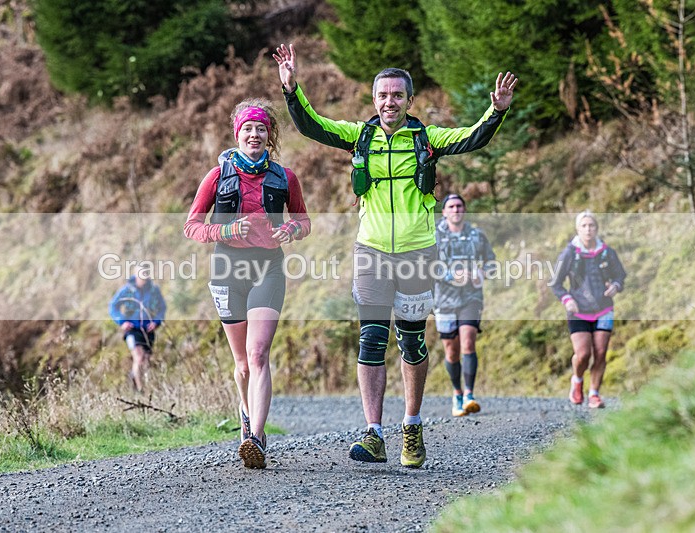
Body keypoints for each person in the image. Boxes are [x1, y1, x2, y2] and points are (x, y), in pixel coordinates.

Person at [273, 43, 516, 467]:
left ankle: (412, 424)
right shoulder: (359, 136)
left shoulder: (427, 138)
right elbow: (313, 127)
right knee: (371, 339)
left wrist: (495, 111)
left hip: (418, 251)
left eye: (397, 95)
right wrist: (292, 90)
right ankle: (373, 433)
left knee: (412, 339)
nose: (390, 102)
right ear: (374, 99)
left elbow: (471, 138)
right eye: (383, 95)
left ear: (409, 100)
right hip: (371, 251)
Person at [183, 98, 311, 469]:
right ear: (237, 133)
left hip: (268, 268)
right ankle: (245, 411)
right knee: (241, 364)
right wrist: (225, 229)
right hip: (226, 269)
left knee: (258, 355)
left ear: (270, 135)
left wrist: (291, 228)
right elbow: (191, 225)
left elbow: (304, 221)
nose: (254, 134)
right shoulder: (216, 176)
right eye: (247, 129)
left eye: (261, 129)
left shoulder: (285, 177)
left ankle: (255, 437)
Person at [550, 211, 626, 409]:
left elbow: (620, 275)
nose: (588, 229)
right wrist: (567, 299)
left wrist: (616, 286)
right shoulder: (569, 253)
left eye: (591, 225)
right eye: (584, 226)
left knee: (600, 353)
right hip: (578, 311)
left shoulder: (607, 252)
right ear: (577, 229)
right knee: (583, 354)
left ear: (597, 228)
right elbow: (555, 283)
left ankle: (594, 394)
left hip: (604, 309)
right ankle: (577, 380)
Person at [434, 193, 496, 417]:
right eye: (451, 206)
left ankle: (470, 395)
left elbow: (491, 263)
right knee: (451, 351)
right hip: (444, 298)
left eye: (460, 206)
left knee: (468, 341)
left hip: (471, 297)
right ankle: (457, 393)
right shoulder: (434, 236)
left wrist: (481, 273)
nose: (456, 210)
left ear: (464, 210)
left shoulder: (477, 235)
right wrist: (451, 275)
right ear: (444, 212)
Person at [109, 267, 167, 393]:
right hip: (132, 330)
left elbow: (162, 308)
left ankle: (137, 381)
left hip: (148, 330)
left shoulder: (154, 290)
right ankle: (141, 391)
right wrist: (122, 321)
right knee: (139, 357)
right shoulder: (127, 290)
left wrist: (156, 322)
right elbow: (113, 306)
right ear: (136, 275)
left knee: (146, 359)